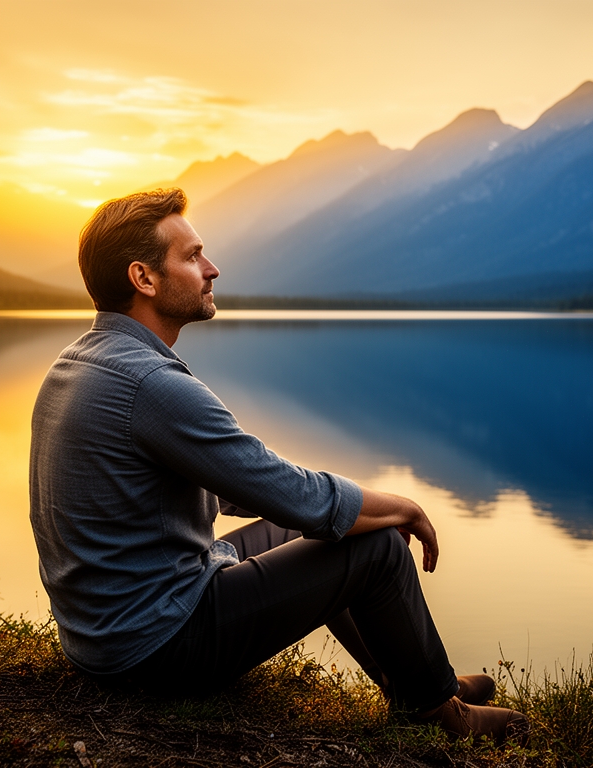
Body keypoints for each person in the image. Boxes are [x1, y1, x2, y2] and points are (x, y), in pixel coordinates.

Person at [29, 188, 528, 744]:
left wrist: (318, 502)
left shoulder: (78, 364)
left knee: (305, 528)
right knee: (376, 545)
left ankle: (410, 678)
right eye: (192, 256)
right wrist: (403, 507)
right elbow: (302, 498)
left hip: (105, 637)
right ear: (143, 278)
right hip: (157, 648)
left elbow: (243, 486)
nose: (211, 269)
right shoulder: (151, 385)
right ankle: (441, 715)